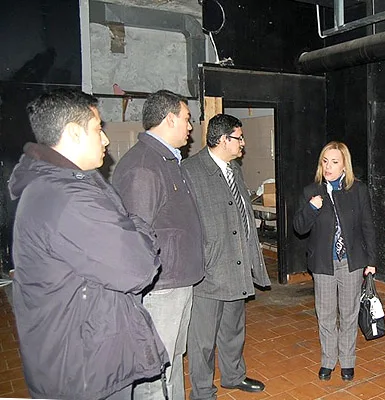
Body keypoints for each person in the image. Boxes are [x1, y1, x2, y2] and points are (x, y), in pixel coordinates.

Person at [8, 89, 168, 400]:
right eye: (98, 129)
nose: (106, 140)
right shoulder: (70, 197)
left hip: (74, 353)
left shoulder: (52, 185)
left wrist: (125, 227)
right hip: (85, 367)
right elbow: (138, 270)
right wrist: (138, 228)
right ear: (73, 133)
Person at [112, 90, 206, 400]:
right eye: (187, 119)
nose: (190, 127)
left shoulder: (166, 160)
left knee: (173, 358)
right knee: (156, 368)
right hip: (161, 287)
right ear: (169, 119)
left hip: (175, 280)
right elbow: (135, 236)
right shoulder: (144, 166)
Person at [183, 113, 271, 400]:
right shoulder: (191, 171)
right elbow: (185, 225)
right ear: (223, 140)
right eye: (239, 137)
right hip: (209, 270)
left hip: (236, 265)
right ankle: (203, 392)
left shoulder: (234, 169)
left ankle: (234, 376)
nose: (243, 143)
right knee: (203, 339)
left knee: (233, 330)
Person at [293, 141, 376, 382]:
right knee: (326, 314)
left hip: (352, 261)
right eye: (325, 161)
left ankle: (348, 361)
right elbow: (299, 227)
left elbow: (368, 226)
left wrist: (371, 260)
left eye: (334, 162)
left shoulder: (358, 190)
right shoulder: (311, 191)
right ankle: (328, 360)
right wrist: (311, 208)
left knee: (349, 314)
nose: (328, 167)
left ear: (344, 165)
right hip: (323, 263)